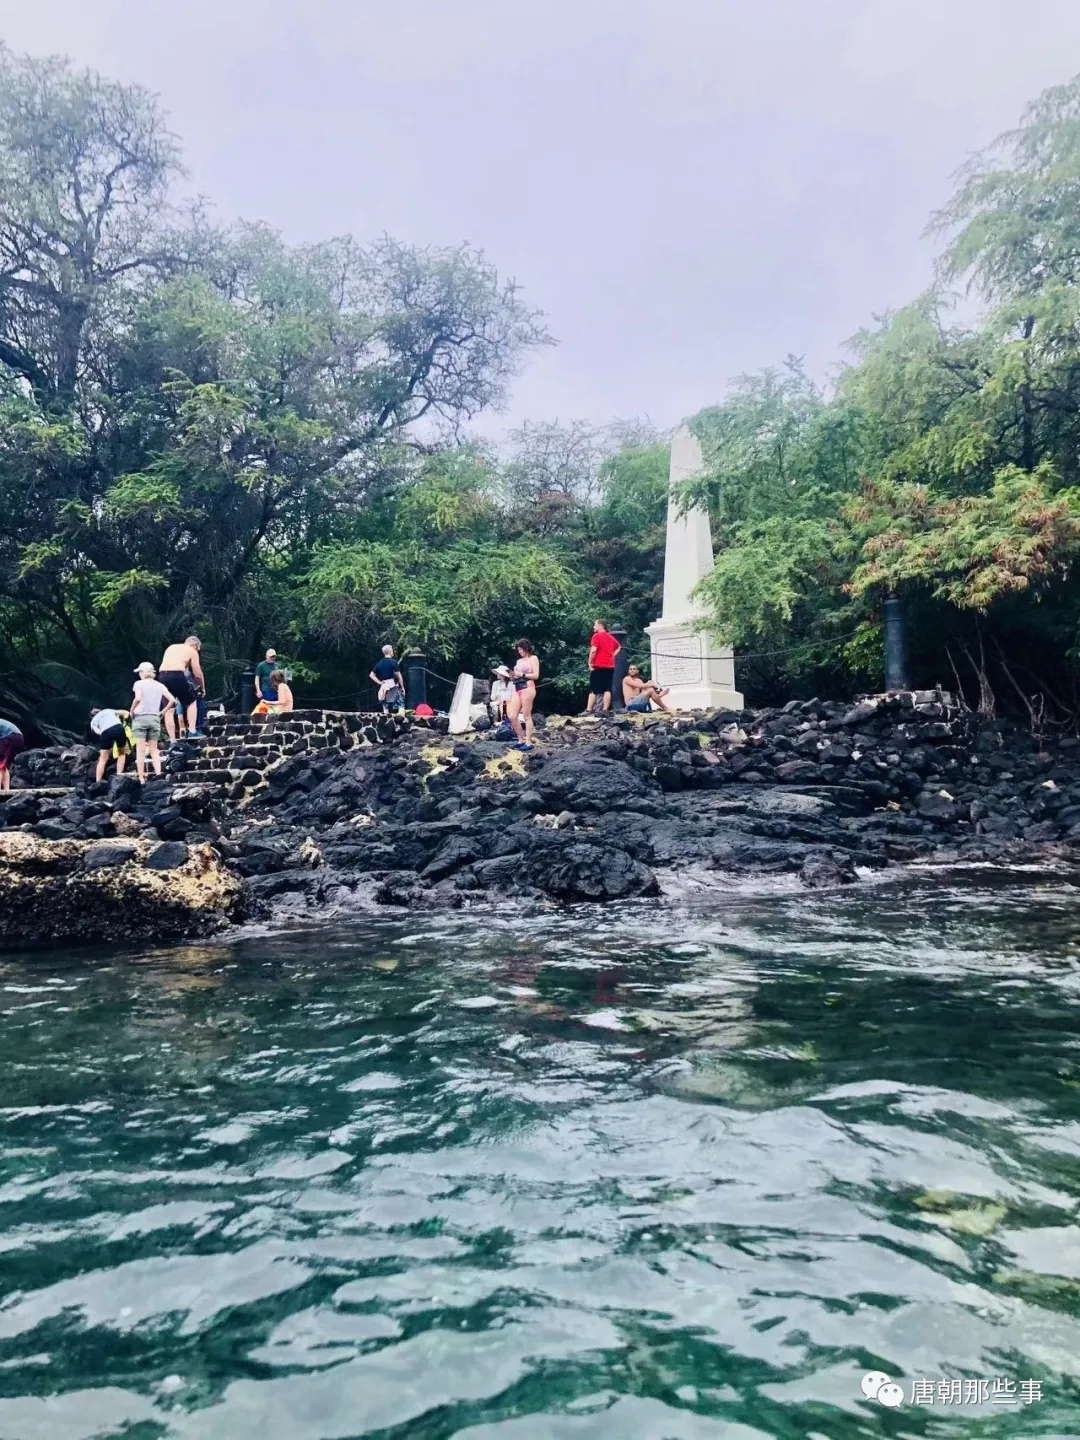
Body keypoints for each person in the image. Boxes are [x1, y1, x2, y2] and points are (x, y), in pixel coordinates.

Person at [131, 662, 176, 783]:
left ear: (143, 673)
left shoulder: (138, 684)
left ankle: (141, 778)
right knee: (154, 749)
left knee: (140, 751)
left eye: (140, 672)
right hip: (155, 718)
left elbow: (138, 698)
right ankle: (159, 775)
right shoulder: (159, 685)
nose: (139, 674)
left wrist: (131, 710)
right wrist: (163, 711)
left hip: (140, 718)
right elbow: (172, 700)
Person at [158, 636, 206, 740]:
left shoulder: (171, 647)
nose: (198, 651)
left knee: (169, 706)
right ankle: (192, 731)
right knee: (191, 701)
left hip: (162, 675)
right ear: (195, 645)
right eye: (198, 649)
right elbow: (197, 674)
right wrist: (202, 687)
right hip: (176, 675)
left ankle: (172, 739)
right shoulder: (192, 651)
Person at [508, 638, 540, 751]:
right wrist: (513, 675)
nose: (520, 651)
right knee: (512, 715)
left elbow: (536, 675)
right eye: (518, 650)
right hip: (517, 686)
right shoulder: (519, 661)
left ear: (526, 648)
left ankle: (528, 741)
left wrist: (521, 674)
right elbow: (517, 674)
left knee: (526, 715)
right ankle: (520, 738)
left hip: (528, 686)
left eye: (521, 649)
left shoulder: (533, 658)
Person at [585, 620, 621, 714]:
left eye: (595, 625)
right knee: (607, 688)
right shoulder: (610, 637)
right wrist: (613, 655)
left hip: (598, 665)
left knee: (594, 688)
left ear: (600, 626)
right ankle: (605, 710)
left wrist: (590, 662)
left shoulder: (596, 636)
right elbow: (618, 647)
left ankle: (588, 709)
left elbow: (593, 650)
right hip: (609, 666)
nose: (593, 627)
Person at [89, 705, 132, 782]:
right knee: (122, 754)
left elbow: (97, 731)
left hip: (105, 732)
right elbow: (126, 713)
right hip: (119, 728)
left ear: (92, 715)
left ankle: (98, 781)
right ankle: (119, 775)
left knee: (103, 759)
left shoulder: (93, 721)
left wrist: (104, 735)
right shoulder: (108, 710)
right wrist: (125, 722)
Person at [370, 645, 405, 712]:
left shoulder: (379, 663)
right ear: (390, 651)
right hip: (393, 685)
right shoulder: (393, 662)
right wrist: (402, 687)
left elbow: (371, 675)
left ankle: (386, 720)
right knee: (400, 703)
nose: (393, 652)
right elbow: (399, 675)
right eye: (392, 650)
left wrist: (380, 682)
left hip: (384, 686)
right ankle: (401, 720)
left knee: (385, 706)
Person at [0, 717, 24, 792]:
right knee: (4, 766)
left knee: (0, 765)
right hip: (19, 738)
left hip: (11, 737)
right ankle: (7, 790)